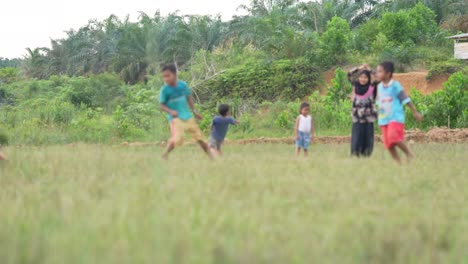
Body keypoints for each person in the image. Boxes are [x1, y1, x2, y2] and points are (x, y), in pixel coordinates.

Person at [159, 64, 213, 159]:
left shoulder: (183, 85)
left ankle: (211, 157)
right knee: (178, 138)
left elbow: (189, 99)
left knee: (199, 138)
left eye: (168, 76)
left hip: (187, 116)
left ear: (175, 74)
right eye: (164, 76)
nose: (165, 79)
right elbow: (162, 105)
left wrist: (195, 111)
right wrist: (171, 111)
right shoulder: (165, 90)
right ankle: (165, 154)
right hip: (175, 118)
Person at [376, 61, 423, 163]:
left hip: (395, 118)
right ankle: (399, 164)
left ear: (388, 73)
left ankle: (409, 154)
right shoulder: (379, 87)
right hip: (384, 119)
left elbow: (405, 98)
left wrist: (415, 112)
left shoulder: (395, 85)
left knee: (395, 138)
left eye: (380, 71)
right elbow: (379, 102)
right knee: (388, 144)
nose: (377, 74)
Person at [348, 64, 378, 157]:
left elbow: (379, 77)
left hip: (368, 117)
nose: (363, 79)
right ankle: (355, 153)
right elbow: (349, 74)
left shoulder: (372, 87)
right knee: (357, 135)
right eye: (361, 77)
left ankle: (366, 153)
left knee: (367, 135)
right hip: (357, 116)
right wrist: (359, 68)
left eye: (365, 77)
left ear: (368, 78)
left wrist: (370, 70)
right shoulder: (356, 85)